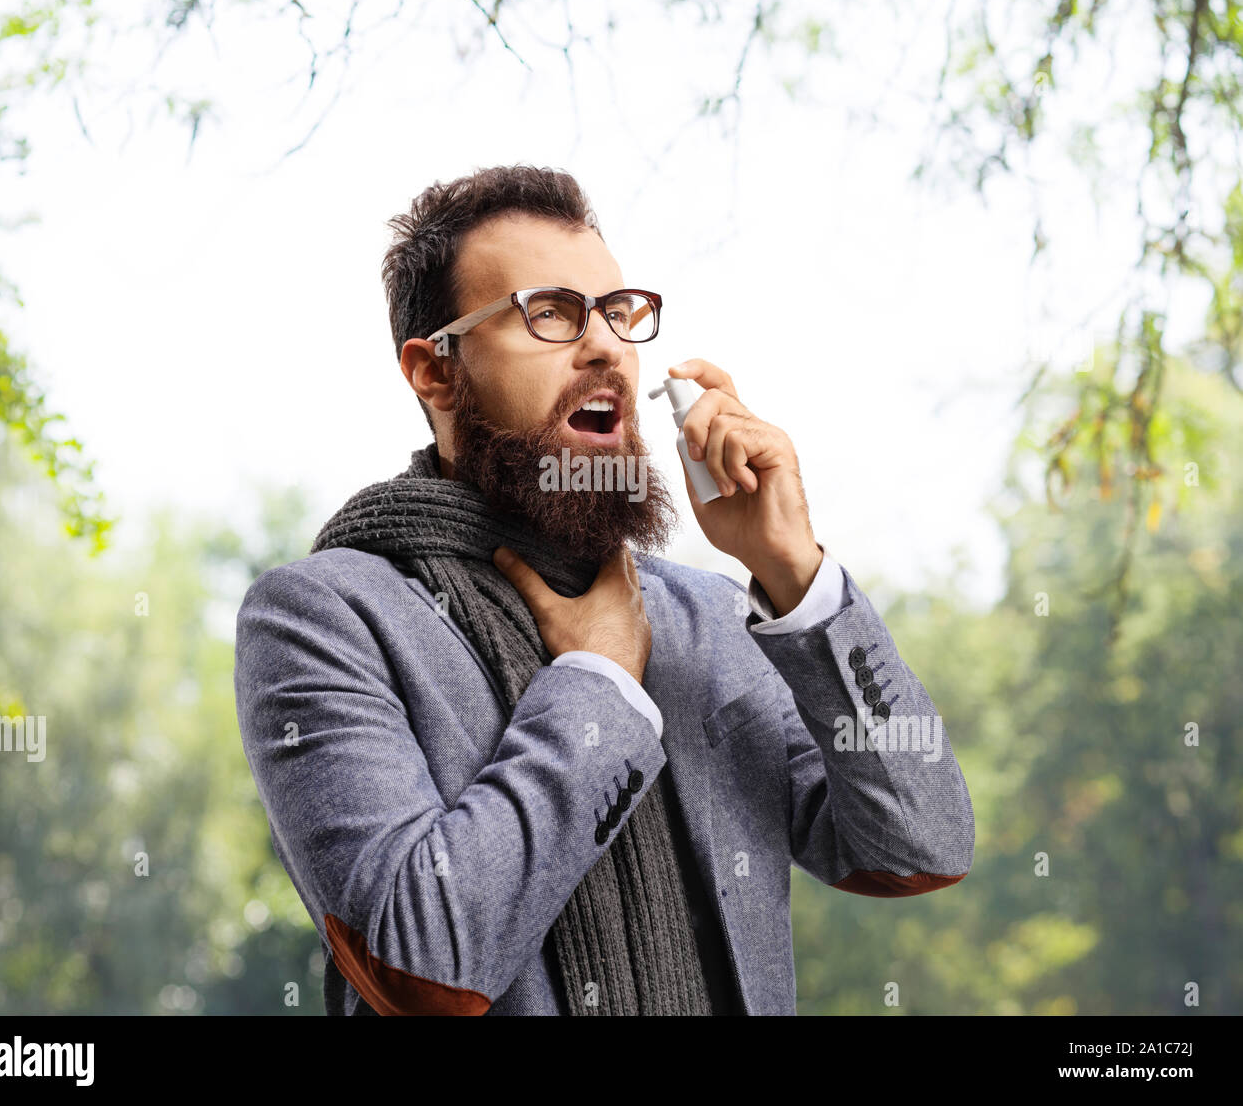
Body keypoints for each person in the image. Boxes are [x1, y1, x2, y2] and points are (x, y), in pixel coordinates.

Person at [233, 163, 975, 1016]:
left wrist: (793, 572)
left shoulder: (707, 616)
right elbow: (422, 964)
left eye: (618, 315)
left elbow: (921, 844)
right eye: (549, 313)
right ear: (434, 372)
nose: (606, 346)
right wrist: (601, 684)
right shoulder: (325, 618)